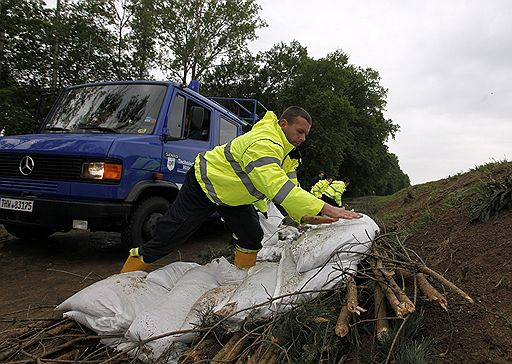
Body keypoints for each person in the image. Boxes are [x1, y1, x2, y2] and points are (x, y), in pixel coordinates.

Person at [120, 106, 362, 273]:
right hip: (206, 184)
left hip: (232, 197)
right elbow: (276, 186)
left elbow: (291, 188)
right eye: (300, 132)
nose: (303, 138)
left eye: (306, 134)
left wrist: (305, 215)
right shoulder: (263, 143)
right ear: (283, 123)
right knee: (169, 237)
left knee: (251, 236)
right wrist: (328, 208)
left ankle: (241, 276)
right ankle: (125, 278)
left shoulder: (288, 154)